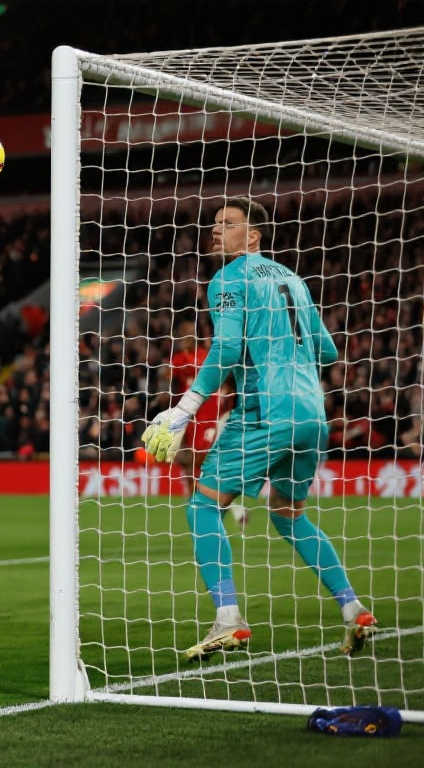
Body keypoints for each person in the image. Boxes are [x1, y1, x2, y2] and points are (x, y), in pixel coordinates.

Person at [141, 197, 376, 661]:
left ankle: (228, 618)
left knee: (202, 507)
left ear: (253, 236)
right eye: (214, 224)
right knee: (288, 514)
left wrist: (183, 410)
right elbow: (328, 351)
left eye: (228, 224)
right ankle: (354, 609)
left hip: (265, 410)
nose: (216, 230)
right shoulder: (294, 279)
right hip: (311, 413)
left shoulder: (229, 278)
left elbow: (227, 348)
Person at [169, 321, 247, 526]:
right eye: (182, 333)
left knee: (204, 464)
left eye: (189, 332)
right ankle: (203, 507)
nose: (185, 337)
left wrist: (227, 396)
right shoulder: (179, 360)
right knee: (195, 466)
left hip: (211, 418)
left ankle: (222, 509)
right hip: (192, 419)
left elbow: (228, 376)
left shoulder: (207, 356)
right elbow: (170, 379)